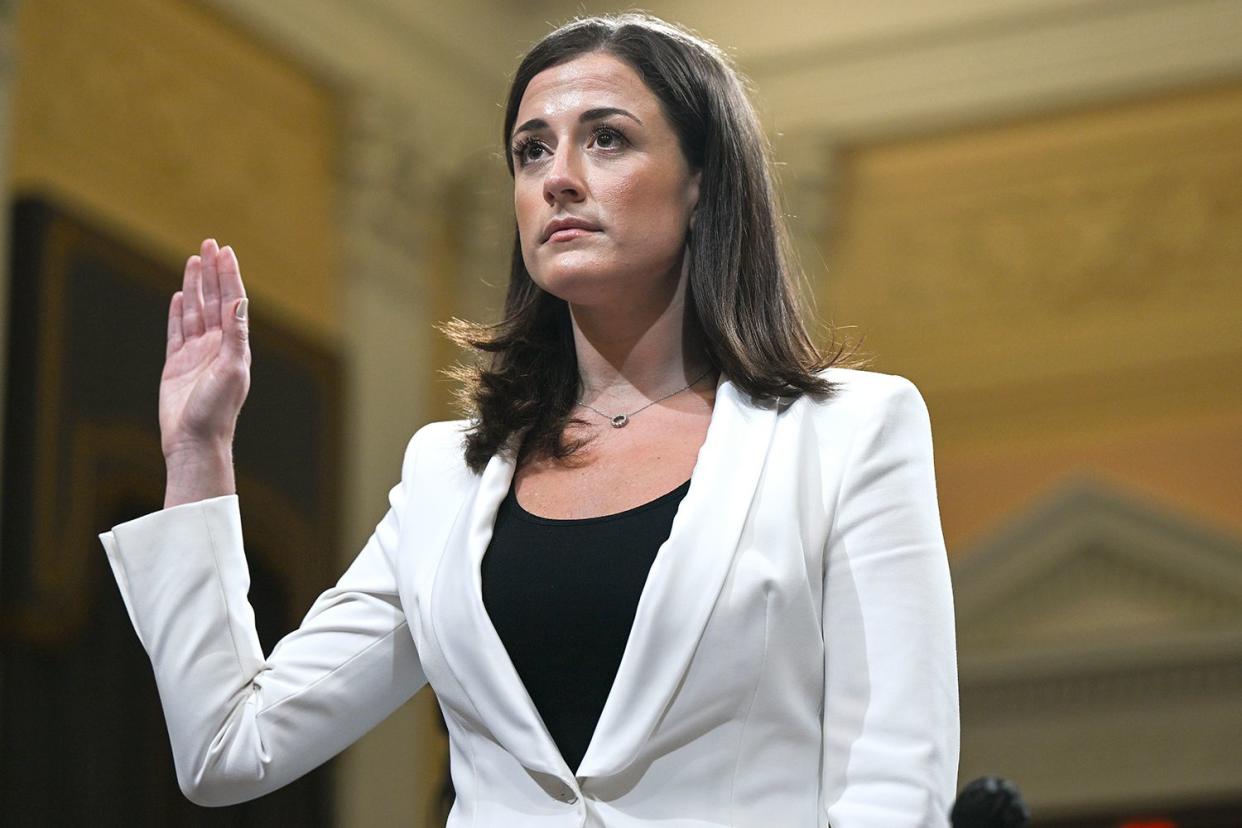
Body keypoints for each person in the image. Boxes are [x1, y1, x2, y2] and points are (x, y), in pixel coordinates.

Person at [99, 13, 959, 827]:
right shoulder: (448, 473)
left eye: (608, 138)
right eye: (531, 149)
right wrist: (197, 450)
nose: (559, 178)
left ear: (702, 183)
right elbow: (228, 748)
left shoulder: (848, 435)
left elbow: (893, 782)